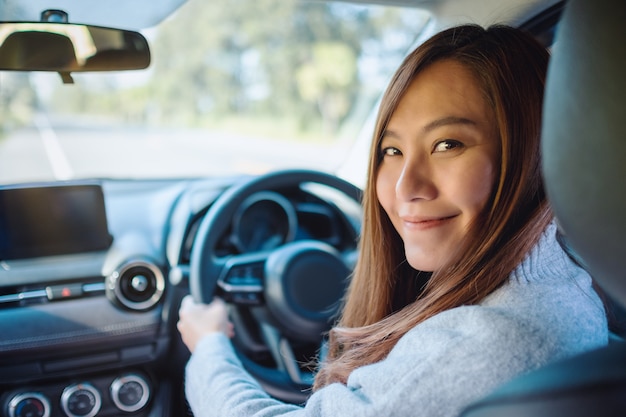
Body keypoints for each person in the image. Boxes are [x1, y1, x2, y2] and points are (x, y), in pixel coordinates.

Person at [177, 24, 608, 417]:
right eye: (391, 151)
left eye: (447, 144)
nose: (405, 187)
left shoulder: (482, 342)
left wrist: (209, 345)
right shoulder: (570, 286)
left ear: (531, 153)